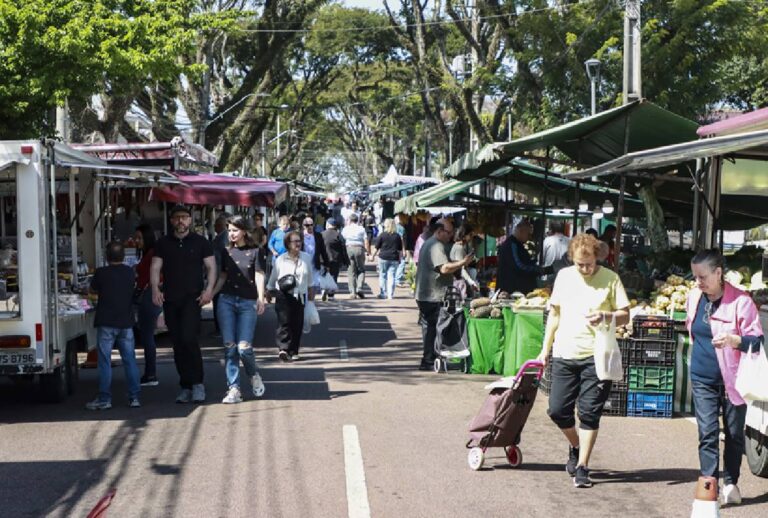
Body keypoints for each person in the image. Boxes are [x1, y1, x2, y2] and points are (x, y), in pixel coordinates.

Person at [536, 233, 630, 488]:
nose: (585, 269)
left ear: (598, 257)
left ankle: (583, 467)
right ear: (572, 260)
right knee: (557, 410)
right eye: (579, 264)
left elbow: (625, 315)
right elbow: (554, 315)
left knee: (589, 412)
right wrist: (545, 350)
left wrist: (606, 316)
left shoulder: (611, 279)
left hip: (597, 356)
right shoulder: (564, 277)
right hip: (565, 353)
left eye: (589, 264)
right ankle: (575, 445)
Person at [685, 248, 764, 504]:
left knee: (733, 434)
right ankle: (709, 487)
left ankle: (731, 483)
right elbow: (693, 330)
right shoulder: (694, 297)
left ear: (718, 273)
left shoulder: (741, 301)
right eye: (695, 276)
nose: (698, 282)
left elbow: (757, 340)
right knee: (707, 432)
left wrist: (734, 340)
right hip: (702, 377)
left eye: (703, 276)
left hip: (734, 380)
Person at [151, 204, 216, 404]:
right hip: (171, 299)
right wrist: (155, 289)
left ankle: (197, 383)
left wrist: (209, 290)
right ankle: (185, 385)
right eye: (177, 217)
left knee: (189, 339)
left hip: (193, 298)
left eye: (184, 217)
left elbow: (211, 267)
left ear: (190, 220)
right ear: (171, 221)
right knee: (178, 343)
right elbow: (155, 267)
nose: (181, 221)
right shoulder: (163, 243)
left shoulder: (201, 242)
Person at [211, 216, 267, 404]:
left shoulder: (255, 251)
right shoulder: (226, 251)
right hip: (226, 300)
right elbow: (222, 276)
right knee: (230, 347)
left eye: (235, 230)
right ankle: (234, 388)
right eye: (229, 230)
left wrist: (260, 298)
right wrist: (209, 294)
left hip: (247, 302)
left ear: (244, 231)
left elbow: (259, 274)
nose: (231, 234)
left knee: (244, 348)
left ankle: (253, 374)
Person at [86, 241, 141, 410]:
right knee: (129, 360)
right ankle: (134, 397)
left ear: (106, 256)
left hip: (106, 321)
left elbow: (92, 290)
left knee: (104, 361)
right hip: (126, 321)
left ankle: (105, 399)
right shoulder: (130, 273)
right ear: (123, 256)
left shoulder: (101, 273)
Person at [415, 219, 474, 370]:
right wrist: (462, 262)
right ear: (439, 231)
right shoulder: (436, 245)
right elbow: (444, 269)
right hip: (432, 295)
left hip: (426, 294)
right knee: (434, 328)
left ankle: (429, 358)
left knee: (430, 327)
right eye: (448, 232)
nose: (451, 236)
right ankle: (429, 359)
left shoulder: (432, 244)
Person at [267, 231, 314, 362]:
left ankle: (294, 350)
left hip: (300, 295)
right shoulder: (281, 259)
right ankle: (283, 349)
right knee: (284, 322)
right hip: (283, 295)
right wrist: (269, 290)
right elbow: (273, 276)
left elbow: (310, 276)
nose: (298, 244)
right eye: (295, 241)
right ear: (288, 244)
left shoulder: (306, 258)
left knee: (297, 324)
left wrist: (311, 292)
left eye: (299, 241)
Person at [134, 224, 162, 386]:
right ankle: (150, 373)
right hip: (150, 296)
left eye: (139, 238)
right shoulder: (150, 253)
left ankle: (151, 374)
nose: (136, 241)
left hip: (149, 297)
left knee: (147, 336)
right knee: (147, 336)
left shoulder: (152, 254)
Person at [496, 220, 547, 295]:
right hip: (511, 290)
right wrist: (537, 269)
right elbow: (518, 265)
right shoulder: (512, 244)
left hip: (516, 289)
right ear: (521, 231)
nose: (529, 237)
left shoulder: (517, 244)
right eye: (528, 234)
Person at [372, 218, 403, 300]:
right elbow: (400, 249)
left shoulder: (382, 235)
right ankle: (390, 295)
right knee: (392, 276)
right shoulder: (397, 236)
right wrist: (400, 258)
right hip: (394, 258)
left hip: (383, 257)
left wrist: (372, 256)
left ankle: (383, 293)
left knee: (382, 275)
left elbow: (376, 247)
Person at [211, 213, 230, 336]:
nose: (214, 227)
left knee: (218, 301)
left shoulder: (222, 238)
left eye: (216, 225)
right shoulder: (222, 238)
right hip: (219, 273)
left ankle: (220, 328)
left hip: (219, 274)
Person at [342, 213, 368, 299]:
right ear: (357, 220)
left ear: (349, 220)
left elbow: (342, 239)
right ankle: (359, 287)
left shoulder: (346, 229)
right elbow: (366, 239)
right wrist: (368, 251)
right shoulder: (361, 228)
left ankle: (352, 292)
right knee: (361, 269)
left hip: (349, 248)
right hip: (359, 248)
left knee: (351, 271)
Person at [321, 219, 348, 300]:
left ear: (328, 225)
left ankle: (323, 289)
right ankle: (331, 294)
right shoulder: (338, 235)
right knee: (334, 275)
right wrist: (345, 260)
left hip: (323, 258)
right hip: (335, 258)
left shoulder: (321, 234)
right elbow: (343, 247)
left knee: (323, 274)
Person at [450, 223, 479, 298]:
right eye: (470, 235)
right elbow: (461, 269)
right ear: (464, 235)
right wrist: (471, 282)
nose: (471, 238)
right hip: (458, 284)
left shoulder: (457, 246)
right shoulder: (459, 248)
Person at [302, 216, 329, 289]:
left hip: (314, 262)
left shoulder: (318, 235)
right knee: (304, 282)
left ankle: (311, 300)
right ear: (303, 226)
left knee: (314, 283)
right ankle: (306, 299)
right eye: (307, 225)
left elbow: (323, 250)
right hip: (303, 262)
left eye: (311, 225)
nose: (310, 227)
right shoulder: (300, 235)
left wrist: (326, 263)